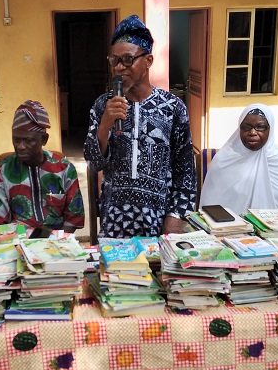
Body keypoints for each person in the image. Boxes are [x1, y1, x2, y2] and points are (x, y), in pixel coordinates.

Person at [84, 14, 197, 238]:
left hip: (159, 221)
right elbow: (93, 163)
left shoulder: (173, 107)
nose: (119, 67)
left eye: (128, 59)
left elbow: (185, 173)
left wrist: (176, 216)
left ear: (148, 61)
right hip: (114, 223)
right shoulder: (102, 105)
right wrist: (105, 125)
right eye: (114, 60)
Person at [0, 100, 85, 233]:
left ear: (44, 139)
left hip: (58, 244)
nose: (20, 146)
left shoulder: (65, 169)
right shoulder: (1, 172)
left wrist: (53, 243)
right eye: (16, 140)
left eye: (29, 140)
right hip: (16, 242)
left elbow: (73, 218)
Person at [199, 103, 278, 214]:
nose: (252, 132)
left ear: (270, 129)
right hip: (232, 229)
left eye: (260, 127)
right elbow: (210, 208)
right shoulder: (223, 160)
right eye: (246, 127)